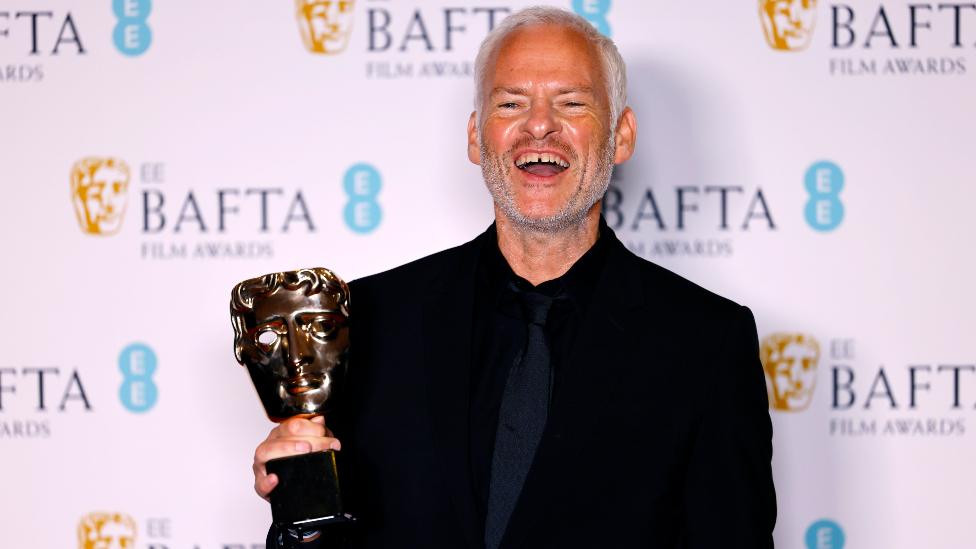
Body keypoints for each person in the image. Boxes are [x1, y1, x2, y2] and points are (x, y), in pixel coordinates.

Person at [253, 7, 776, 548]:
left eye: (571, 102)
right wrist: (302, 522)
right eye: (511, 103)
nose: (540, 124)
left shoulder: (707, 341)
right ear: (478, 137)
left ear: (621, 136)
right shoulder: (366, 322)